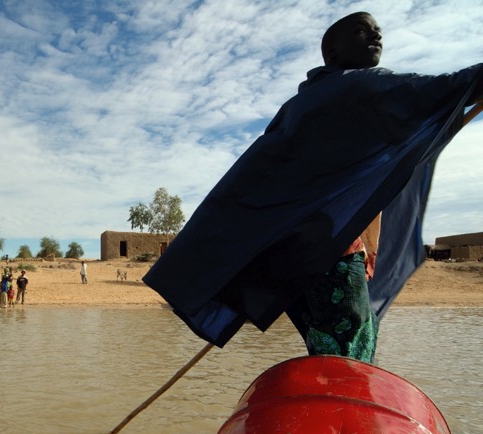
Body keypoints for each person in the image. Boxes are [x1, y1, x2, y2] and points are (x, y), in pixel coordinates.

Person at [143, 12, 483, 364]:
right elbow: (435, 89)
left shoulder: (301, 105)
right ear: (331, 52)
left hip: (287, 256)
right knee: (349, 353)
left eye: (378, 31)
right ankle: (345, 413)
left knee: (325, 348)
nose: (375, 35)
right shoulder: (360, 85)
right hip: (329, 252)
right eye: (361, 30)